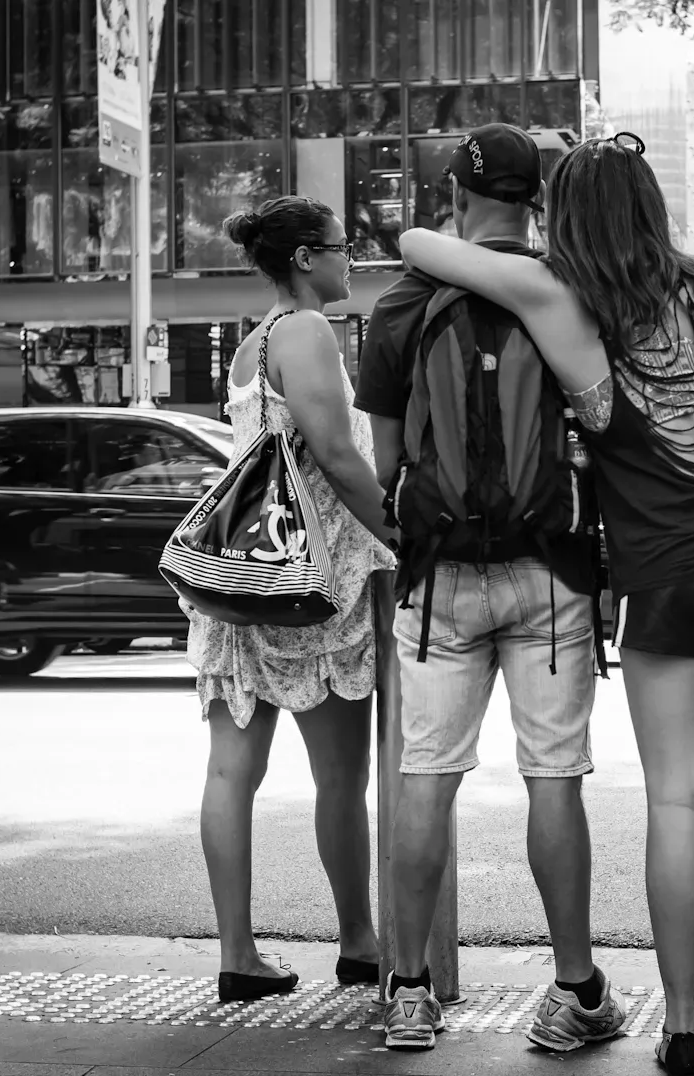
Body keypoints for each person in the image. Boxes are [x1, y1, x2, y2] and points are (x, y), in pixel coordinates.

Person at [400, 132, 694, 1075]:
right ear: (651, 208)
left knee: (675, 803)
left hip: (660, 575)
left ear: (561, 217)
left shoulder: (552, 294)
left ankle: (684, 1027)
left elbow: (417, 246)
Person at [355, 124, 622, 1054]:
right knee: (554, 780)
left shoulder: (400, 305)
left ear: (456, 197)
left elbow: (384, 461)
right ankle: (576, 990)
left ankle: (413, 994)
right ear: (534, 199)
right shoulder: (564, 292)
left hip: (438, 581)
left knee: (426, 780)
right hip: (551, 577)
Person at [181, 196, 396, 1003]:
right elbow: (338, 455)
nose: (352, 263)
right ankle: (359, 941)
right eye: (343, 249)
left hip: (244, 583)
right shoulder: (305, 332)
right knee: (340, 778)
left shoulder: (250, 344)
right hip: (310, 587)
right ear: (306, 257)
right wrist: (404, 534)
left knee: (232, 772)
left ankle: (238, 953)